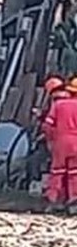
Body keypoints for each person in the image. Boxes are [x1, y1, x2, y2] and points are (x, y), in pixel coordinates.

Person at [41, 77, 77, 212]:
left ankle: (53, 199)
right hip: (76, 143)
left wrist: (50, 139)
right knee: (74, 173)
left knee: (57, 172)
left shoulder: (58, 105)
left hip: (60, 143)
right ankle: (74, 201)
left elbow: (47, 126)